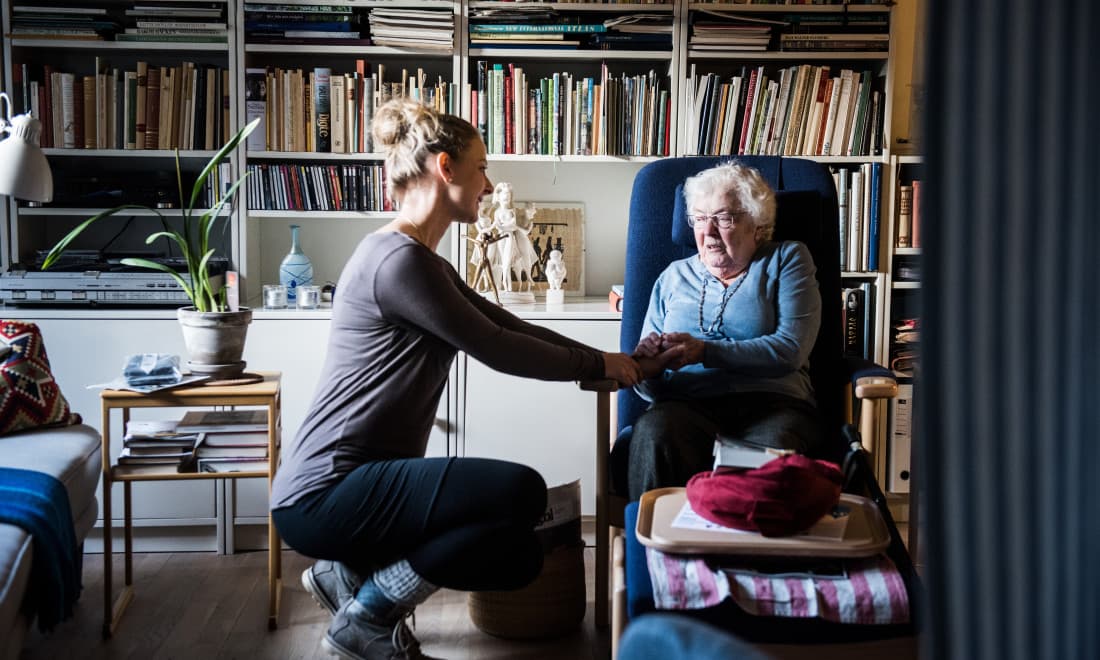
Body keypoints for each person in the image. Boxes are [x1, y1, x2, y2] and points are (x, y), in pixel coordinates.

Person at [270, 98, 665, 660]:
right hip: (326, 492)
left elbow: (507, 323)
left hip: (355, 485)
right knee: (519, 492)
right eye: (481, 167)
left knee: (517, 554)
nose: (488, 182)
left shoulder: (420, 260)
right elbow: (497, 347)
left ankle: (347, 577)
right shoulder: (397, 262)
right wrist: (598, 367)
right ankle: (370, 614)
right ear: (445, 168)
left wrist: (611, 358)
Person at [627, 161, 823, 500]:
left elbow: (790, 350)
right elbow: (648, 388)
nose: (709, 231)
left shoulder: (787, 260)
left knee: (768, 461)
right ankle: (656, 550)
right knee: (654, 431)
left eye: (724, 218)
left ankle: (747, 553)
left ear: (757, 226)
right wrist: (648, 368)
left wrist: (705, 351)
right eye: (700, 219)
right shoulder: (673, 277)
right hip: (686, 408)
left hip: (772, 406)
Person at [491, 181, 538, 292]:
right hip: (501, 238)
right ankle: (507, 285)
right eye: (504, 194)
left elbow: (513, 227)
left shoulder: (513, 211)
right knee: (503, 260)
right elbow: (497, 225)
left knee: (507, 260)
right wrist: (503, 228)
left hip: (510, 237)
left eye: (509, 194)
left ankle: (515, 281)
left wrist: (504, 227)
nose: (507, 196)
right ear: (499, 196)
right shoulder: (497, 212)